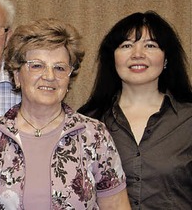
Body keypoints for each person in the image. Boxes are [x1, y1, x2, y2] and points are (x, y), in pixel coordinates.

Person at [0, 18, 131, 209]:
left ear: (69, 78)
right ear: (17, 75)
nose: (50, 76)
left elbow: (117, 206)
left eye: (59, 68)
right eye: (37, 65)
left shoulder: (93, 135)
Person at [78, 11, 192, 209]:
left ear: (166, 59)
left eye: (150, 45)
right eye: (126, 45)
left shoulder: (188, 119)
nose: (137, 54)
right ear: (113, 58)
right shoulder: (88, 121)